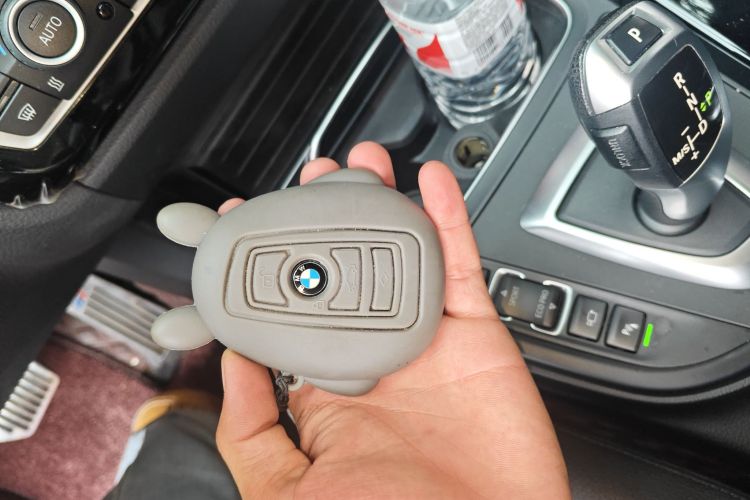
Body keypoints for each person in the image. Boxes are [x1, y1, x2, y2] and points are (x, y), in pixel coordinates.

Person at [109, 142, 570, 499]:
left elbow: (353, 382)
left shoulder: (232, 311)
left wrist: (346, 374)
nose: (307, 280)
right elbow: (351, 379)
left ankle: (174, 423)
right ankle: (173, 426)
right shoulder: (232, 273)